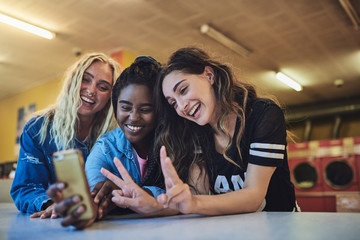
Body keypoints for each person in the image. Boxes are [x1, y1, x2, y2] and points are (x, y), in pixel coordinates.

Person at [102, 47, 298, 216]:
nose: (181, 107)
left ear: (209, 75)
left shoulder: (263, 114)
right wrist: (152, 203)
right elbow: (198, 198)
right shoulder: (196, 131)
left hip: (280, 225)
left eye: (183, 90)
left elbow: (254, 196)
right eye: (173, 103)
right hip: (234, 227)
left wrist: (194, 203)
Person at [46, 56, 165, 229]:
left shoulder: (174, 142)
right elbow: (95, 195)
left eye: (145, 109)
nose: (133, 117)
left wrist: (136, 193)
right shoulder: (105, 147)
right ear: (115, 106)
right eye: (124, 107)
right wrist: (91, 208)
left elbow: (191, 193)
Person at [10, 52, 121, 218]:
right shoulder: (37, 129)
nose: (91, 90)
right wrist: (53, 204)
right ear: (73, 80)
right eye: (86, 79)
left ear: (110, 97)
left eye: (103, 87)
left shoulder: (115, 137)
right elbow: (25, 187)